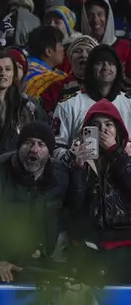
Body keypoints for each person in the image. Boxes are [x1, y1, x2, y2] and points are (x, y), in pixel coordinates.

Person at [0, 122, 69, 283]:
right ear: (19, 147)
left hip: (33, 262)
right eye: (28, 143)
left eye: (41, 144)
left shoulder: (60, 175)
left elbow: (65, 215)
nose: (34, 149)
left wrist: (43, 248)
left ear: (50, 152)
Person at [65, 99, 131, 283]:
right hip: (91, 244)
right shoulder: (78, 159)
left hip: (126, 243)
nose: (102, 130)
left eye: (109, 125)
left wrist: (115, 152)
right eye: (95, 125)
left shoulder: (128, 156)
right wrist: (78, 168)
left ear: (118, 130)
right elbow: (74, 205)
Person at [53, 46, 131, 158]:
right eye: (99, 63)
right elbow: (55, 149)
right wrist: (74, 155)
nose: (105, 67)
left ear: (118, 68)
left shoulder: (129, 104)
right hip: (80, 172)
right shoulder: (68, 105)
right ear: (90, 68)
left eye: (111, 63)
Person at [0, 51, 47, 165]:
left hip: (14, 171)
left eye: (8, 69)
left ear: (14, 74)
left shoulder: (26, 108)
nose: (3, 73)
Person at [40, 35, 97, 115]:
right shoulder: (56, 87)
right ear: (70, 59)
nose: (84, 55)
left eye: (89, 51)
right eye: (78, 51)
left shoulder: (102, 86)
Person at [22, 25, 66, 99]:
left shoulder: (21, 66)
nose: (63, 49)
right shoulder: (51, 79)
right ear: (48, 51)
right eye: (60, 45)